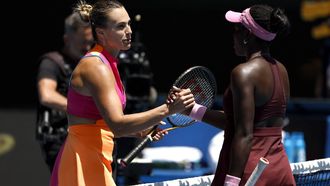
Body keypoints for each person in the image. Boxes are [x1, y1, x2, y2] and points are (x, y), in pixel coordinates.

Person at [50, 1, 195, 186]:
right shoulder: (96, 67)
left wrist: (138, 130)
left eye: (128, 24)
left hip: (96, 156)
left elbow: (102, 124)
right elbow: (117, 125)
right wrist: (168, 109)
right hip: (82, 160)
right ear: (101, 33)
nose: (129, 31)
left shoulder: (108, 63)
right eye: (120, 26)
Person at [182, 4, 295, 186]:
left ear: (247, 35)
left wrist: (231, 182)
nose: (233, 36)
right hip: (278, 168)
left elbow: (244, 133)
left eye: (236, 29)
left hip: (250, 172)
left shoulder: (243, 73)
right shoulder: (281, 70)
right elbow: (237, 122)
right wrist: (191, 110)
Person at [36, 11, 93, 172]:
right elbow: (47, 95)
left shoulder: (92, 64)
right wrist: (85, 110)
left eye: (91, 43)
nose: (87, 48)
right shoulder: (52, 62)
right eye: (83, 43)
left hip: (89, 138)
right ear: (67, 39)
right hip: (62, 141)